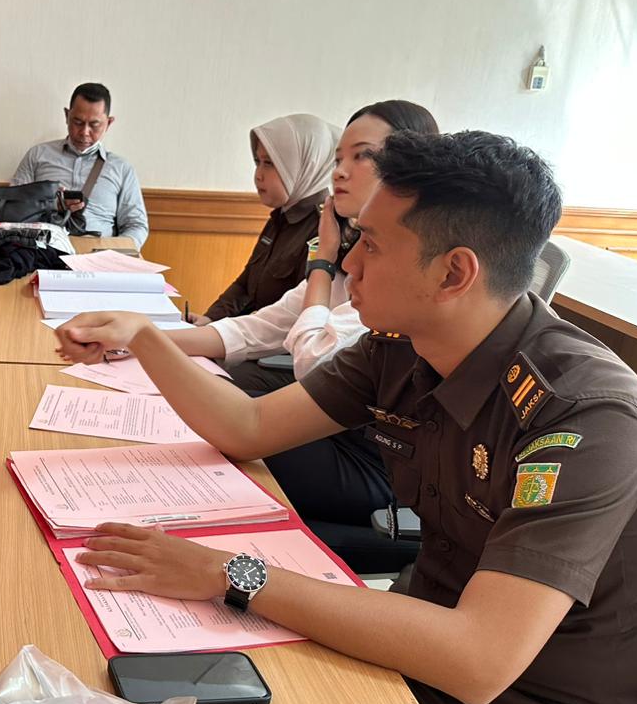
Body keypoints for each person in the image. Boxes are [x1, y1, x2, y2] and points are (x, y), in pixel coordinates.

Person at [56, 130, 637, 704]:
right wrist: (144, 338)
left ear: (454, 274)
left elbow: (480, 660)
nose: (348, 262)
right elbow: (246, 427)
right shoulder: (400, 348)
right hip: (411, 638)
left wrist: (231, 574)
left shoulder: (584, 414)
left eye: (370, 243)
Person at [167, 101, 439, 571]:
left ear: (413, 169)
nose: (341, 172)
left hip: (377, 465)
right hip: (335, 431)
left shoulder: (399, 269)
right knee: (209, 409)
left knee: (214, 428)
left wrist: (321, 265)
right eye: (338, 158)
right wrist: (146, 340)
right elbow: (259, 325)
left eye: (362, 156)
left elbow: (316, 364)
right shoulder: (351, 248)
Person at [198, 113, 339, 323]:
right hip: (247, 332)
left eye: (269, 163)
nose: (258, 175)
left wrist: (219, 331)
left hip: (273, 341)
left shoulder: (323, 228)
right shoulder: (281, 216)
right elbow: (245, 285)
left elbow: (293, 316)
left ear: (305, 165)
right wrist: (209, 319)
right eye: (258, 162)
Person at [10, 82, 149, 247]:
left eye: (94, 125)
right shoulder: (37, 155)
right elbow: (12, 210)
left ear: (109, 123)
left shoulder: (122, 169)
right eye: (78, 122)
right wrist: (51, 204)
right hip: (42, 250)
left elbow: (136, 225)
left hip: (99, 253)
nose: (84, 132)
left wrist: (114, 252)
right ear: (66, 115)